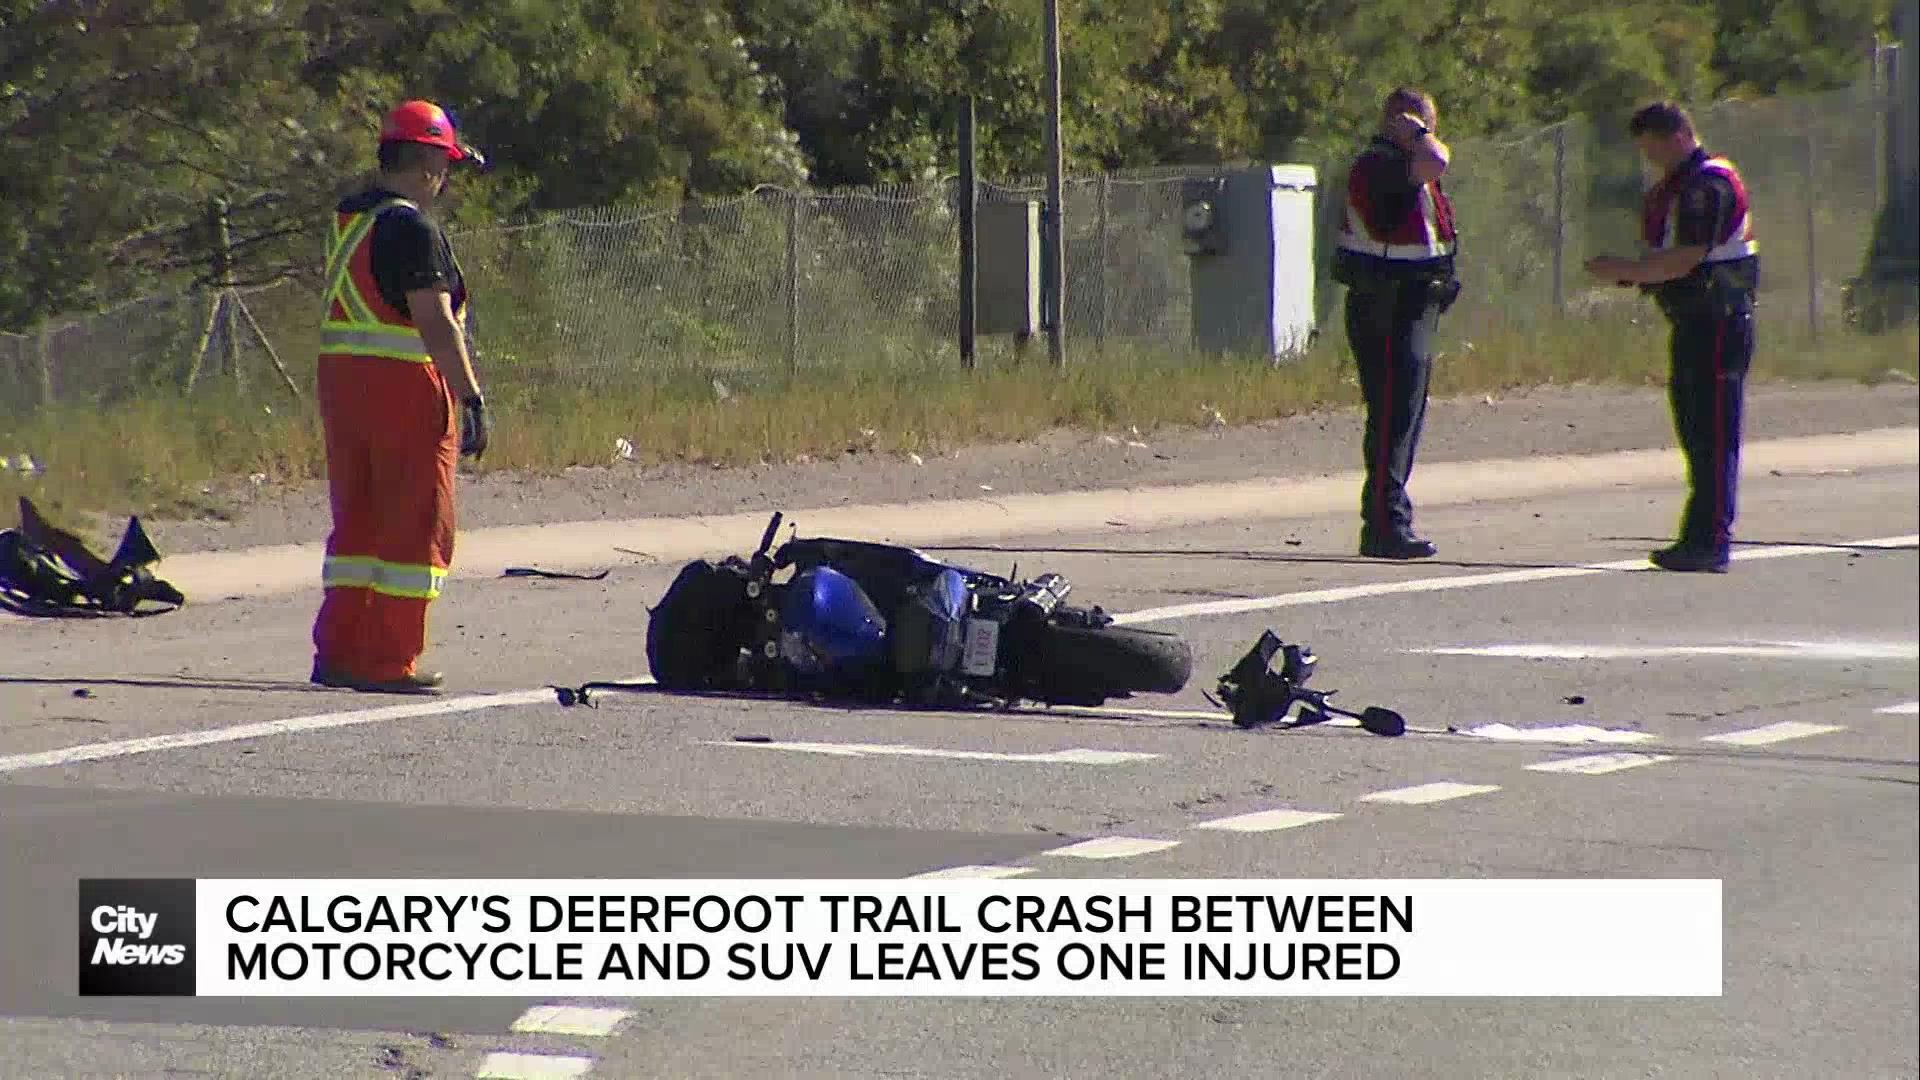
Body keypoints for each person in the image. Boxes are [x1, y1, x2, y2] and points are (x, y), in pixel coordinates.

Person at [310, 99, 492, 694]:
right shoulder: (412, 226)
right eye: (444, 168)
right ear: (428, 164)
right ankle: (390, 661)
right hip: (403, 388)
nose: (443, 181)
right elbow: (436, 322)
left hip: (344, 386)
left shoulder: (350, 218)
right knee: (417, 526)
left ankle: (339, 652)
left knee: (358, 522)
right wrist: (470, 396)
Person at [1584, 101, 1759, 574]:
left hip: (1719, 319)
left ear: (1678, 135)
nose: (1651, 160)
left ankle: (1710, 541)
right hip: (1694, 319)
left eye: (1654, 149)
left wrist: (1621, 270)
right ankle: (1699, 535)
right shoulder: (1679, 185)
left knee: (1714, 433)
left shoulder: (1708, 185)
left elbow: (1685, 258)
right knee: (1696, 431)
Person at [1332, 87, 1462, 560]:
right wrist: (1419, 133)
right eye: (1423, 123)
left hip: (1413, 302)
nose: (1431, 134)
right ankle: (1386, 524)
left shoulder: (1405, 166)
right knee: (1393, 415)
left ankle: (1388, 517)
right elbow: (1437, 160)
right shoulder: (1380, 164)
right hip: (1386, 303)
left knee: (1401, 416)